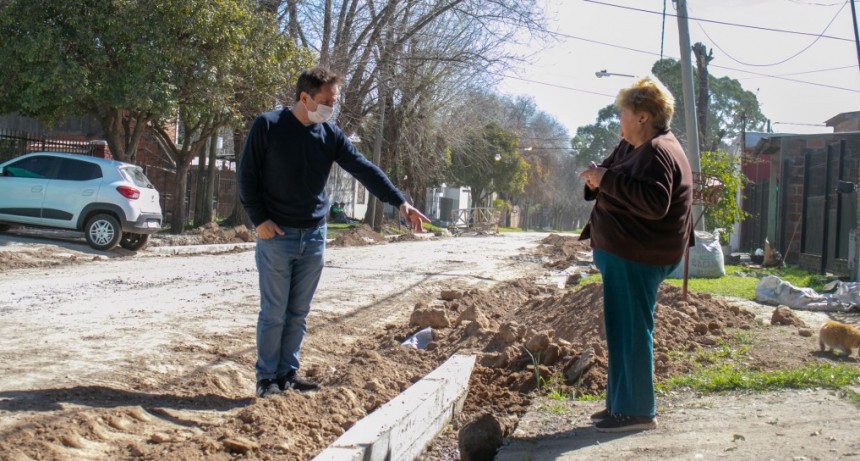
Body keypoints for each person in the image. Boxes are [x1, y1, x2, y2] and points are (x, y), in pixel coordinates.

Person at [238, 66, 430, 399]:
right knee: (274, 312)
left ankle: (288, 374)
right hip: (276, 236)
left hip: (313, 236)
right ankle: (266, 379)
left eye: (335, 100)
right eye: (327, 100)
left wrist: (400, 203)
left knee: (298, 313)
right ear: (304, 97)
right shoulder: (268, 126)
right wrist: (259, 219)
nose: (332, 107)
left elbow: (364, 169)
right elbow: (246, 176)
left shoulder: (329, 135)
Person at [578, 76, 693, 432]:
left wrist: (605, 179)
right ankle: (619, 405)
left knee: (632, 329)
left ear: (643, 116)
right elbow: (607, 176)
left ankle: (639, 411)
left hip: (640, 255)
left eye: (624, 113)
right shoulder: (631, 146)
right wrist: (596, 178)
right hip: (625, 253)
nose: (619, 120)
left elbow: (655, 203)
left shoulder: (659, 151)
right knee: (621, 329)